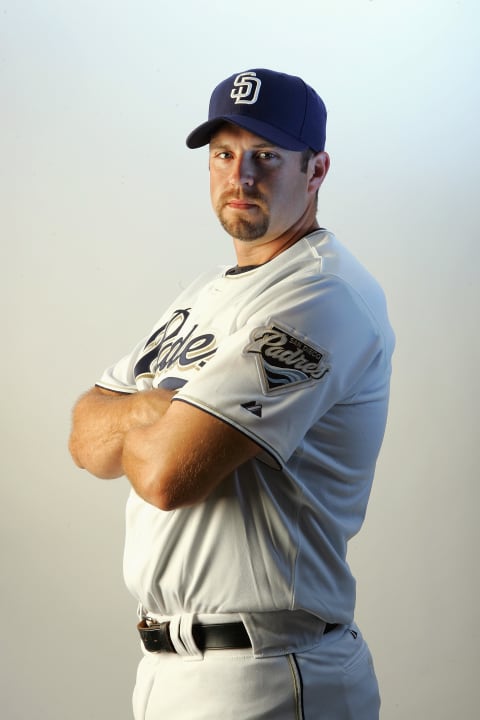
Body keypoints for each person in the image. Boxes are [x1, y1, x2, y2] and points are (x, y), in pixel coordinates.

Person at [69, 68, 395, 719]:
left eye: (266, 157)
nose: (240, 177)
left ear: (317, 168)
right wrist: (152, 409)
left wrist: (146, 422)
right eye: (224, 154)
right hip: (170, 671)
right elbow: (84, 437)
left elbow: (165, 476)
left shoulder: (320, 295)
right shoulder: (205, 293)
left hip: (267, 674)